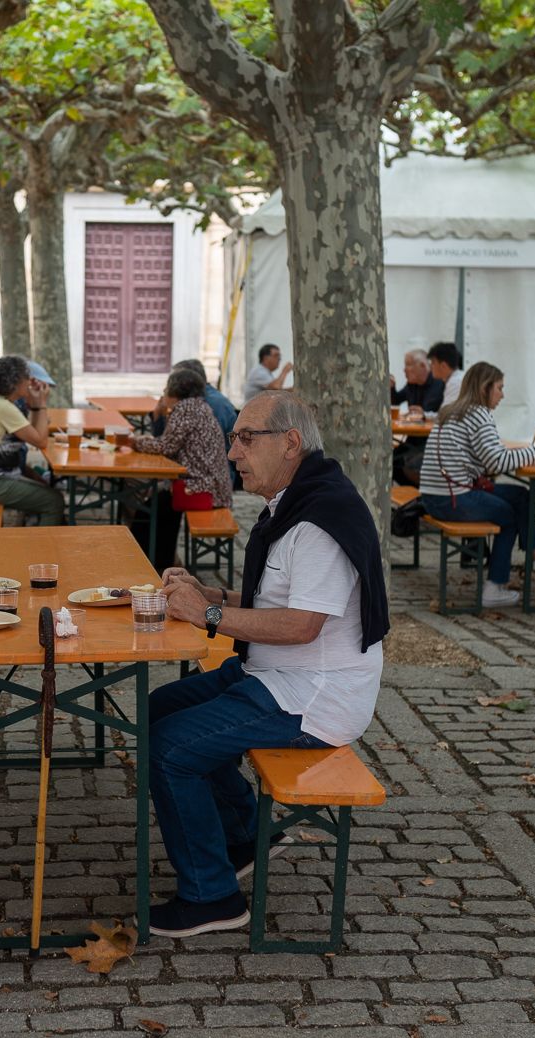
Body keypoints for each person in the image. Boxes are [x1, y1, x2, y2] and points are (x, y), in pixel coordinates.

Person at [144, 391, 387, 937]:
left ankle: (212, 898)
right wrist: (208, 592)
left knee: (170, 748)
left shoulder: (318, 522)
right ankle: (241, 835)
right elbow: (275, 604)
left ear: (291, 443)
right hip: (275, 674)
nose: (233, 452)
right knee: (157, 707)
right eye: (235, 438)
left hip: (313, 696)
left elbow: (302, 627)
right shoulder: (301, 500)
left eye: (245, 438)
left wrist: (205, 613)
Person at [418, 363, 535, 607]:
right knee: (510, 514)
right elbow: (496, 462)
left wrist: (527, 452)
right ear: (485, 388)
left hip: (435, 496)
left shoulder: (450, 411)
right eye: (499, 388)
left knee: (521, 496)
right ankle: (495, 586)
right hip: (453, 499)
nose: (502, 395)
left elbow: (490, 456)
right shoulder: (478, 414)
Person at [129, 366, 233, 571]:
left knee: (152, 510)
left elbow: (166, 446)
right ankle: (158, 562)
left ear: (173, 391)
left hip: (202, 489)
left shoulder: (185, 409)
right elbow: (170, 443)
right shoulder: (199, 406)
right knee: (157, 504)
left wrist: (135, 442)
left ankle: (151, 566)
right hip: (211, 484)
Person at [0, 355, 64, 524]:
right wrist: (42, 404)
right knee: (53, 501)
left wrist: (37, 405)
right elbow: (41, 441)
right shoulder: (4, 408)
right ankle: (44, 548)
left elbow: (35, 435)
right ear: (15, 383)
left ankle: (28, 535)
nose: (29, 382)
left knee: (45, 491)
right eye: (26, 378)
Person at [390, 349, 444, 485]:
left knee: (403, 463)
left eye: (408, 365)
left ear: (422, 366)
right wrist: (391, 388)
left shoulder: (438, 384)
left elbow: (424, 412)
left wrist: (421, 413)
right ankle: (412, 495)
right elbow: (396, 401)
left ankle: (418, 494)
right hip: (413, 439)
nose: (404, 370)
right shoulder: (411, 385)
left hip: (430, 442)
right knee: (388, 460)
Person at [153, 359, 238, 438]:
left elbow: (168, 444)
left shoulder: (207, 404)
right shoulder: (197, 399)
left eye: (174, 384)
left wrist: (159, 417)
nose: (168, 388)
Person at [428, 342, 465, 410]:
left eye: (433, 362)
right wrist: (424, 415)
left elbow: (446, 415)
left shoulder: (455, 382)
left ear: (443, 366)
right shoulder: (455, 378)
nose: (430, 366)